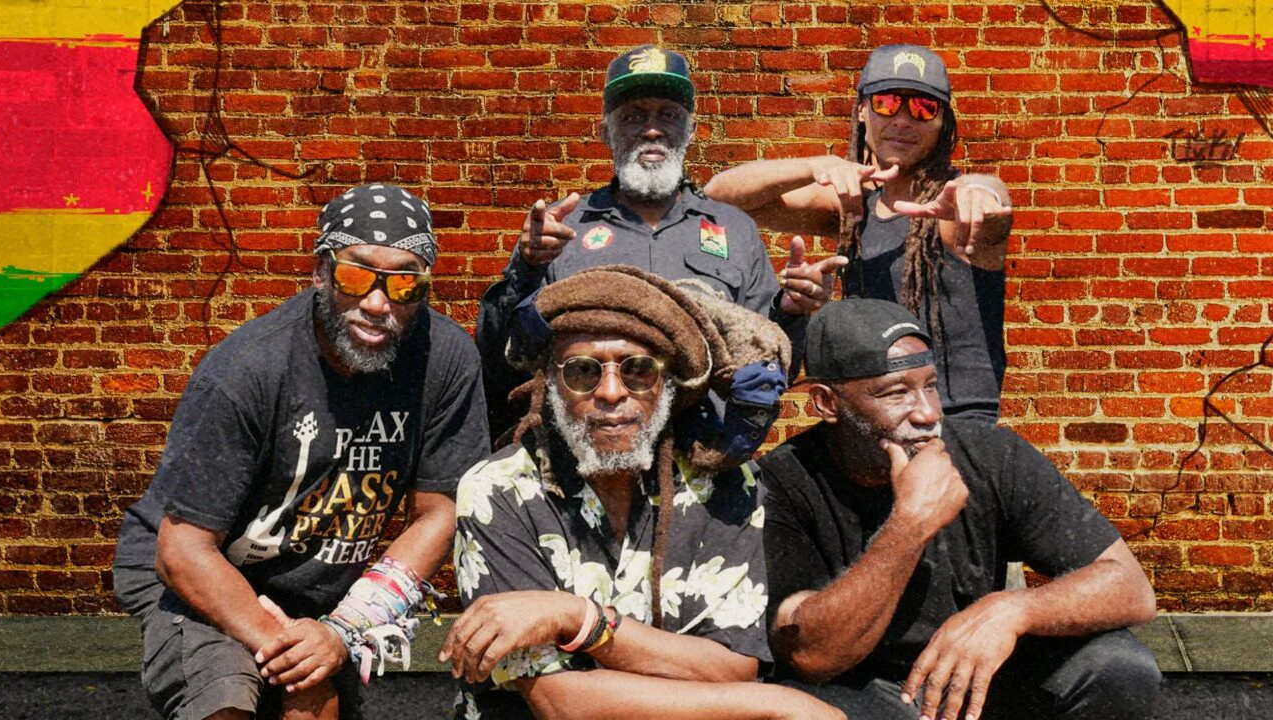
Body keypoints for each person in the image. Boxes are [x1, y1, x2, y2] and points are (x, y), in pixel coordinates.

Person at [112, 184, 491, 720]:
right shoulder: (248, 369)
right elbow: (183, 551)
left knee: (313, 700)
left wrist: (342, 629)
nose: (377, 303)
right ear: (321, 271)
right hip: (197, 566)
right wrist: (289, 645)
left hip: (316, 584)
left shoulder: (445, 359)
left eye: (404, 282)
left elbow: (440, 513)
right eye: (355, 276)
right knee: (226, 701)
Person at [443, 265, 843, 720]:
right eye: (582, 371)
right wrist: (774, 703)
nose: (611, 392)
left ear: (669, 383)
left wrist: (577, 618)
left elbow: (732, 666)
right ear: (550, 383)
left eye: (637, 370)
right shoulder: (500, 488)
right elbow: (561, 702)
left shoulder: (723, 484)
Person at [756, 298, 1161, 720]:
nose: (928, 413)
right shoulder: (782, 483)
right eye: (896, 392)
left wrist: (1012, 610)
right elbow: (812, 656)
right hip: (859, 686)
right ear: (827, 403)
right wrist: (910, 523)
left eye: (930, 385)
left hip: (972, 669)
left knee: (1118, 668)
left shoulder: (992, 455)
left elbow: (1131, 588)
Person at [478, 45, 840, 438]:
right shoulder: (561, 228)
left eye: (668, 115)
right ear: (604, 132)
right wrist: (527, 267)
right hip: (588, 448)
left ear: (691, 130)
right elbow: (502, 361)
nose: (652, 130)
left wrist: (791, 312)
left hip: (702, 453)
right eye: (633, 116)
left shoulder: (734, 228)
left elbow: (771, 367)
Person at [705, 44, 1015, 421]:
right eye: (887, 103)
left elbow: (989, 201)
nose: (903, 120)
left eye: (923, 108)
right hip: (875, 422)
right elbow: (720, 197)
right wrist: (814, 165)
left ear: (941, 122)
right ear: (862, 111)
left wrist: (982, 193)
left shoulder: (952, 210)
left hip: (954, 424)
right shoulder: (854, 208)